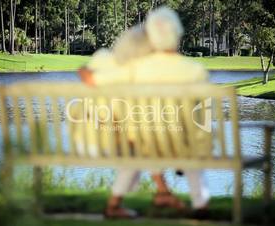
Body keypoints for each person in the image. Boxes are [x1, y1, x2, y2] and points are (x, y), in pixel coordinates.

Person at [77, 7, 211, 219]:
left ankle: (115, 204)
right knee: (189, 146)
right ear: (177, 34)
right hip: (183, 144)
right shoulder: (195, 70)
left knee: (137, 146)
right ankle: (200, 204)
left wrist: (84, 69)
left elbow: (93, 80)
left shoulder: (136, 68)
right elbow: (201, 114)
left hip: (145, 142)